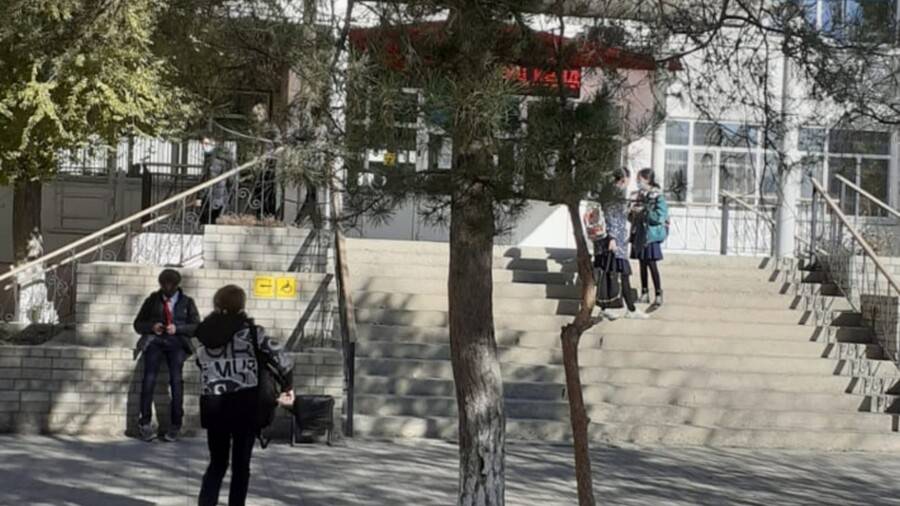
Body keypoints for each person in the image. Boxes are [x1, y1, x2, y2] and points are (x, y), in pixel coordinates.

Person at [195, 285, 295, 506]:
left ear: (217, 304)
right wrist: (288, 386)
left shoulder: (202, 334)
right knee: (241, 466)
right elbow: (283, 359)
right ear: (241, 305)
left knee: (217, 463)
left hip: (214, 405)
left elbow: (200, 363)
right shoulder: (253, 333)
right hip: (246, 406)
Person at [133, 269, 200, 442]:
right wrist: (152, 327)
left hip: (177, 342)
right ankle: (145, 423)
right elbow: (138, 324)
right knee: (149, 379)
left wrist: (178, 329)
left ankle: (175, 424)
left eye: (171, 286)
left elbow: (196, 326)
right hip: (155, 341)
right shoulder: (153, 300)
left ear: (177, 285)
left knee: (176, 381)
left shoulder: (186, 302)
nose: (167, 289)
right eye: (164, 285)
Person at [597, 168, 648, 320]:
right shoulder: (614, 192)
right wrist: (612, 237)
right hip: (614, 241)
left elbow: (618, 214)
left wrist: (630, 210)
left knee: (616, 273)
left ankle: (626, 308)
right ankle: (616, 308)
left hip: (618, 240)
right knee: (615, 273)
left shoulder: (613, 192)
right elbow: (611, 216)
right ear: (624, 179)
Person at [630, 168, 669, 307]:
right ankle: (644, 292)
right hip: (640, 234)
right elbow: (632, 216)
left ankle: (658, 293)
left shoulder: (658, 196)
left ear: (647, 180)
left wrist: (645, 211)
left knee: (652, 264)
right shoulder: (639, 195)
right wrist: (633, 212)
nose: (638, 182)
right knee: (642, 264)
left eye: (640, 179)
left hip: (651, 235)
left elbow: (660, 216)